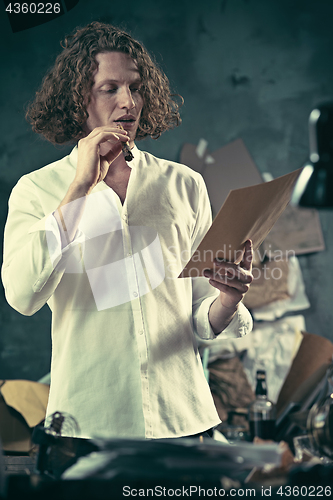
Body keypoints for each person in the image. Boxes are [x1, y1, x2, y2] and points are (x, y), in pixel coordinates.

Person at [2, 22, 253, 440]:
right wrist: (80, 188)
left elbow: (199, 317)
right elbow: (23, 296)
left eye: (135, 88)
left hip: (183, 421)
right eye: (109, 88)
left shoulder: (184, 184)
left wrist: (228, 298)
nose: (128, 102)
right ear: (76, 100)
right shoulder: (37, 190)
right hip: (88, 424)